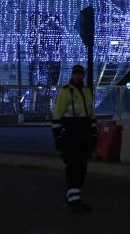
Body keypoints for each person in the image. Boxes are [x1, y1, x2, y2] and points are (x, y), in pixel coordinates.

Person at [51, 64, 97, 212]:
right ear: (72, 75)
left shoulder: (87, 91)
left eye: (80, 73)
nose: (78, 76)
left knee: (82, 168)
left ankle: (74, 198)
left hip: (84, 134)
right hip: (71, 134)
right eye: (76, 73)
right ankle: (73, 202)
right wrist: (58, 136)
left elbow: (91, 114)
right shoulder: (66, 92)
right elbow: (57, 115)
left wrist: (94, 134)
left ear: (83, 75)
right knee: (73, 167)